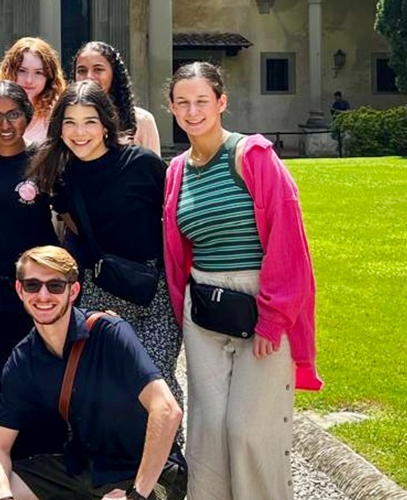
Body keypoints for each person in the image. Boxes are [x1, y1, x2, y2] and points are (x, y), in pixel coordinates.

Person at [163, 61, 322, 500]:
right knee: (208, 435)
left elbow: (288, 242)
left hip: (260, 303)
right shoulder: (176, 171)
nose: (193, 111)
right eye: (183, 103)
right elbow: (179, 252)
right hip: (205, 311)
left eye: (201, 101)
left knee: (250, 432)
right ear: (172, 108)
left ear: (221, 103)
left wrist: (273, 318)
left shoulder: (253, 157)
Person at [0, 245, 182, 500]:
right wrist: (3, 495)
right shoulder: (23, 359)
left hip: (147, 471)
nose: (43, 296)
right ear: (20, 291)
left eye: (55, 286)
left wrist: (137, 496)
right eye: (32, 285)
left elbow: (167, 410)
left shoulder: (109, 332)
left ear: (73, 291)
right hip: (86, 468)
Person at [27, 81, 184, 431]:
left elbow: (175, 222)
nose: (79, 132)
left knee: (158, 385)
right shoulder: (63, 174)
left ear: (106, 124)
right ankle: (115, 477)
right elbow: (72, 231)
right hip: (100, 291)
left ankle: (167, 473)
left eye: (89, 122)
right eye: (70, 122)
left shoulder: (142, 163)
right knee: (104, 388)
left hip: (150, 293)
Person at [0, 82, 66, 479]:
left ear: (28, 115)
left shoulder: (46, 160)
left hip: (36, 292)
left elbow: (66, 217)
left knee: (35, 377)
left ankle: (38, 469)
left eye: (14, 114)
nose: (5, 124)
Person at [70, 42, 162, 154]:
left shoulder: (142, 121)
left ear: (114, 74)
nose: (89, 77)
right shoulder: (63, 120)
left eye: (98, 69)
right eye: (82, 71)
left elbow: (153, 169)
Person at [0, 37, 65, 145]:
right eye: (22, 71)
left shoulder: (57, 114)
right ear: (9, 71)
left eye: (38, 73)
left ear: (49, 77)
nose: (29, 80)